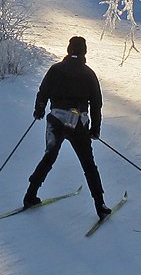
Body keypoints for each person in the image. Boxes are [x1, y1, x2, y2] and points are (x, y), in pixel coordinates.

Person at [25, 35, 110, 220]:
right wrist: (95, 129)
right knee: (88, 164)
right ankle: (100, 205)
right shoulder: (88, 74)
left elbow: (43, 92)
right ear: (84, 52)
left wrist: (39, 110)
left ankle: (30, 195)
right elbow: (96, 104)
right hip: (78, 124)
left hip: (56, 120)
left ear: (68, 50)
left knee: (49, 157)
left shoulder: (55, 70)